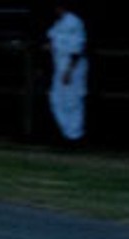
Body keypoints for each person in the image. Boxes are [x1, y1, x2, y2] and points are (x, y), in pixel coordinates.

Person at [47, 4, 89, 143]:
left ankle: (75, 135)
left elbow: (77, 48)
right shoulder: (59, 23)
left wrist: (69, 70)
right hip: (59, 65)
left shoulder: (74, 22)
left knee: (72, 101)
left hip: (72, 67)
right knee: (57, 99)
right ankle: (66, 133)